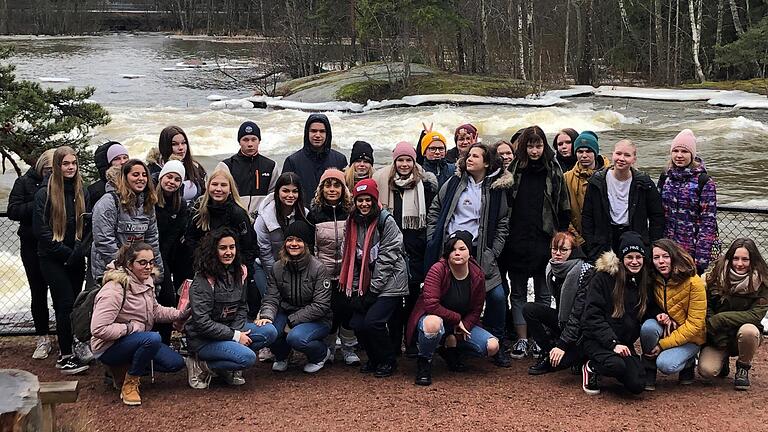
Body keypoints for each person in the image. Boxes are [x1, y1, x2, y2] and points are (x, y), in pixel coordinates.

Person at [426, 142, 512, 367]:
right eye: (468, 156)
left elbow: (503, 222)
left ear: (486, 162)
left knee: (497, 297)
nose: (469, 159)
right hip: (452, 247)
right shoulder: (454, 182)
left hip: (481, 250)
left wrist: (493, 252)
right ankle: (450, 343)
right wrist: (434, 237)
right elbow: (436, 208)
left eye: (475, 156)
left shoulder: (495, 189)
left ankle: (497, 342)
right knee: (450, 295)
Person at [90, 242, 188, 406]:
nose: (148, 267)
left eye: (151, 262)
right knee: (153, 339)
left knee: (175, 363)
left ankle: (124, 368)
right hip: (109, 346)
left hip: (136, 340)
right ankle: (130, 382)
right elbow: (98, 329)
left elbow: (155, 311)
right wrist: (129, 328)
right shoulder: (114, 289)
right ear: (129, 264)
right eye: (142, 262)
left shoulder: (146, 281)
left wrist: (180, 314)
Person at [504, 126, 571, 360]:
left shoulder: (554, 169)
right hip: (517, 239)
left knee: (544, 292)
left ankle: (540, 339)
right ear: (523, 147)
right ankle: (522, 339)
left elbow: (563, 204)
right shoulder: (513, 169)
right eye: (530, 146)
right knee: (519, 291)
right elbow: (505, 205)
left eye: (538, 145)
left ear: (544, 146)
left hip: (545, 238)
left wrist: (561, 237)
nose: (534, 150)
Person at [407, 231, 500, 386]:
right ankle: (425, 361)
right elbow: (431, 305)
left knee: (492, 346)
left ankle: (452, 350)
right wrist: (456, 319)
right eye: (453, 249)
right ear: (447, 252)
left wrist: (462, 328)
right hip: (433, 318)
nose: (457, 253)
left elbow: (477, 309)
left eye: (462, 249)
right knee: (433, 324)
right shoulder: (437, 269)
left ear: (470, 252)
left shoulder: (477, 275)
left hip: (462, 324)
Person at [372, 141, 439, 356]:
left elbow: (431, 217)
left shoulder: (425, 185)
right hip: (390, 249)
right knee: (391, 299)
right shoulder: (384, 182)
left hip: (415, 250)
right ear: (394, 162)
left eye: (408, 160)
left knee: (411, 299)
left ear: (413, 161)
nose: (404, 164)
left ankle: (410, 343)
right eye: (400, 160)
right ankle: (393, 344)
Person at [184, 228, 273, 389]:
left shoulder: (240, 271)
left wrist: (235, 332)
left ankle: (227, 366)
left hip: (229, 328)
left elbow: (242, 306)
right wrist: (234, 336)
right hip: (203, 339)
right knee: (247, 358)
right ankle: (201, 364)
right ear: (213, 250)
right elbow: (202, 323)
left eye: (232, 247)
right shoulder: (203, 280)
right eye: (223, 248)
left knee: (269, 331)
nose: (228, 252)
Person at [341, 179, 408, 377]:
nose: (364, 204)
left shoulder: (386, 221)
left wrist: (373, 291)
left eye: (368, 200)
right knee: (357, 323)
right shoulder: (351, 222)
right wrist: (355, 290)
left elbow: (388, 257)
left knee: (373, 322)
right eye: (360, 200)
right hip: (365, 281)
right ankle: (374, 357)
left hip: (391, 281)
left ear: (374, 200)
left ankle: (388, 360)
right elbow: (350, 257)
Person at [32, 146, 90, 374]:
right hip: (52, 258)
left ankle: (76, 344)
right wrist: (66, 253)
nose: (70, 168)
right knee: (63, 304)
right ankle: (65, 356)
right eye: (66, 164)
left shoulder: (81, 192)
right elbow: (41, 231)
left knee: (76, 304)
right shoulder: (43, 194)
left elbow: (86, 226)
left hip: (75, 257)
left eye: (73, 163)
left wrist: (78, 251)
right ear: (57, 166)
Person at [253, 221, 333, 373]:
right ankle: (282, 355)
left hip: (316, 319)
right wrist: (267, 316)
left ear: (306, 244)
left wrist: (292, 321)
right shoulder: (277, 267)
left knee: (296, 338)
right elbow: (271, 298)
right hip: (285, 312)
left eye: (299, 240)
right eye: (290, 240)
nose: (294, 244)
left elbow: (321, 305)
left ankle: (321, 354)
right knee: (269, 330)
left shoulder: (318, 268)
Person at [580, 231, 649, 395]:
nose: (634, 261)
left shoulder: (643, 280)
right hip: (597, 339)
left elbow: (648, 310)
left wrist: (661, 316)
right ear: (620, 258)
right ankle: (591, 367)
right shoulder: (602, 278)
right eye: (629, 257)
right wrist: (613, 343)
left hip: (624, 343)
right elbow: (592, 316)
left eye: (638, 257)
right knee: (616, 365)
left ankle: (620, 365)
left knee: (637, 385)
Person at [185, 167, 259, 317]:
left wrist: (243, 275)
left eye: (223, 185)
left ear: (230, 189)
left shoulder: (238, 214)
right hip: (206, 269)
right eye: (214, 184)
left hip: (234, 272)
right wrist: (202, 263)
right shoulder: (199, 210)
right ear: (208, 187)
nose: (218, 189)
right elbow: (190, 239)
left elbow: (249, 247)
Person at [698, 238, 768, 391]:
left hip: (743, 333)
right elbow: (706, 305)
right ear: (729, 258)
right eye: (735, 258)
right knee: (706, 371)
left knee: (749, 331)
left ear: (753, 260)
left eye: (745, 259)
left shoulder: (763, 281)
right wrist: (715, 330)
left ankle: (743, 367)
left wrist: (720, 319)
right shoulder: (715, 275)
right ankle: (722, 361)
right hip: (717, 333)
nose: (739, 263)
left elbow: (755, 315)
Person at [308, 168, 360, 365]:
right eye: (328, 185)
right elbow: (311, 246)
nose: (332, 189)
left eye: (336, 185)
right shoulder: (314, 213)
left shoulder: (351, 211)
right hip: (324, 273)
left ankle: (348, 348)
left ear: (343, 188)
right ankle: (328, 347)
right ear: (321, 188)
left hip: (347, 273)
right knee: (328, 311)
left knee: (347, 310)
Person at [581, 139, 665, 263]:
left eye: (627, 155)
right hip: (604, 239)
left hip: (635, 237)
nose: (621, 158)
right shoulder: (597, 181)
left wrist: (651, 244)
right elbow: (587, 215)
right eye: (618, 154)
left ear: (634, 159)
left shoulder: (644, 183)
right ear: (612, 154)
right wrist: (591, 244)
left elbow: (657, 215)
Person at [524, 231, 593, 375]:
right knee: (529, 309)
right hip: (564, 320)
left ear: (573, 251)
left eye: (563, 250)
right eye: (554, 249)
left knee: (562, 363)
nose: (557, 254)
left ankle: (580, 356)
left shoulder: (585, 272)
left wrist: (562, 344)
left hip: (584, 328)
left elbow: (577, 314)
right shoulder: (552, 268)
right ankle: (548, 351)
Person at [640, 238, 706, 390]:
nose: (661, 262)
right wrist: (659, 314)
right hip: (668, 328)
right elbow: (647, 305)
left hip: (691, 336)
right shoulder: (653, 278)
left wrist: (663, 345)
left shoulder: (694, 282)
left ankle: (689, 363)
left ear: (674, 256)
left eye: (665, 256)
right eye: (656, 258)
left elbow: (695, 325)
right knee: (648, 328)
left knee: (666, 365)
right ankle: (649, 369)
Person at [7, 148, 54, 359]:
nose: (51, 174)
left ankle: (69, 336)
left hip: (56, 243)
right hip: (31, 244)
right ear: (41, 166)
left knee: (64, 294)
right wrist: (39, 200)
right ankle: (42, 337)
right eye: (48, 169)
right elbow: (12, 211)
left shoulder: (65, 185)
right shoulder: (24, 182)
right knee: (38, 292)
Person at [91, 159, 163, 284]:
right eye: (135, 175)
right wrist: (125, 268)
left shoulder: (148, 203)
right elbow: (104, 241)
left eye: (144, 175)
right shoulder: (109, 202)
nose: (141, 178)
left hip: (139, 268)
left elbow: (152, 240)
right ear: (125, 177)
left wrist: (156, 269)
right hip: (111, 269)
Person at [658, 129, 717, 274]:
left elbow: (708, 222)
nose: (679, 155)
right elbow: (658, 213)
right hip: (666, 247)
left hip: (691, 249)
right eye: (675, 151)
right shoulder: (665, 177)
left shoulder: (704, 182)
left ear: (692, 154)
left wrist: (701, 259)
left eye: (684, 151)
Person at [153, 160, 191, 343]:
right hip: (152, 254)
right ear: (161, 177)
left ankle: (167, 339)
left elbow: (176, 234)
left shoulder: (181, 205)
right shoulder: (150, 200)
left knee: (174, 294)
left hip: (171, 254)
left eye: (177, 179)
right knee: (163, 295)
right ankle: (156, 338)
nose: (172, 182)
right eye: (169, 177)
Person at [283, 113, 348, 207]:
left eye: (322, 131)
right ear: (307, 133)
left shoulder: (340, 159)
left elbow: (346, 192)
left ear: (327, 134)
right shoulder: (292, 161)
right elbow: (285, 193)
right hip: (302, 216)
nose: (317, 135)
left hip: (332, 216)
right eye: (313, 131)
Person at [254, 172, 310, 276]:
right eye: (285, 191)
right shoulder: (264, 218)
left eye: (295, 191)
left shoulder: (305, 214)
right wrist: (276, 276)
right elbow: (264, 252)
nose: (290, 195)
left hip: (297, 269)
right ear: (277, 192)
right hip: (266, 267)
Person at [220, 121, 279, 216]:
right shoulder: (226, 165)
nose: (250, 144)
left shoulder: (271, 166)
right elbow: (219, 194)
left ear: (259, 141)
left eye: (254, 139)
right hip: (234, 217)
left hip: (261, 218)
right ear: (239, 142)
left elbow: (273, 196)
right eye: (245, 140)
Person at [564, 131, 608, 246]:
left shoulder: (610, 175)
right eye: (580, 151)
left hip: (606, 237)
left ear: (595, 153)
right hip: (578, 238)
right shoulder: (567, 178)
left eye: (588, 151)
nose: (584, 155)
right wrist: (578, 240)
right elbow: (564, 212)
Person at [157, 126, 207, 206]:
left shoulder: (196, 167)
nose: (181, 148)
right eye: (174, 144)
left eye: (183, 143)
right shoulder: (154, 169)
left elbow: (204, 196)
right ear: (165, 146)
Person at [87, 141, 130, 210]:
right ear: (108, 163)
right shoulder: (95, 191)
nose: (123, 162)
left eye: (125, 157)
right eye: (117, 159)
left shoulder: (135, 182)